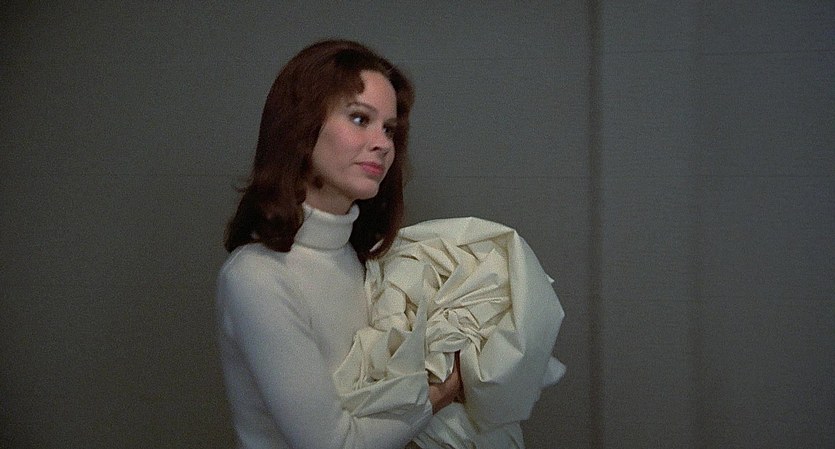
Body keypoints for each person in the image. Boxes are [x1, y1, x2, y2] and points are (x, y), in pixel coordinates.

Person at [216, 39, 462, 449]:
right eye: (360, 118)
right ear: (301, 125)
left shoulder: (358, 258)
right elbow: (334, 444)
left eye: (389, 129)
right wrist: (440, 395)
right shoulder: (257, 277)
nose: (383, 143)